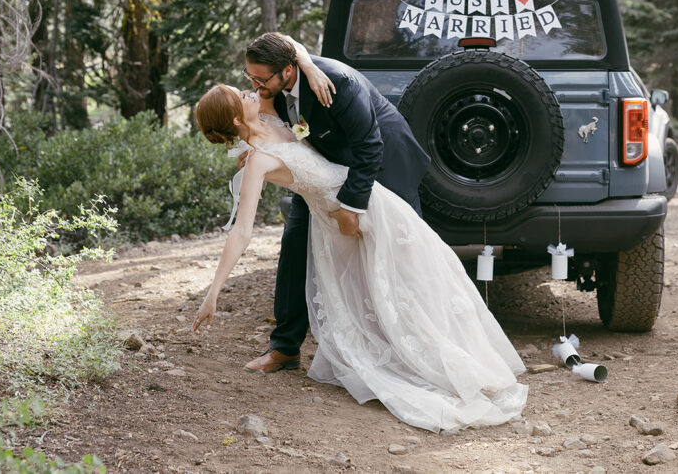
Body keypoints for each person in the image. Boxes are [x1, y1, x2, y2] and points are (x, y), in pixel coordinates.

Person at [192, 85, 527, 431]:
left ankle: (465, 364)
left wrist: (305, 64)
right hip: (340, 222)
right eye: (241, 95)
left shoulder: (268, 116)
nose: (250, 91)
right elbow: (242, 232)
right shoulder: (257, 161)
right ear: (235, 117)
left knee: (424, 279)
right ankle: (440, 370)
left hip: (369, 201)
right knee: (387, 295)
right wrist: (213, 291)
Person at [238, 34, 430, 374]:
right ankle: (284, 348)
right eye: (250, 78)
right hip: (325, 168)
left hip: (386, 161)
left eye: (261, 79)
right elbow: (284, 43)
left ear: (286, 70)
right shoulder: (279, 83)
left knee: (405, 254)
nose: (255, 86)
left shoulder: (337, 82)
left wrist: (349, 207)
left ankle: (419, 343)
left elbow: (371, 146)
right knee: (295, 245)